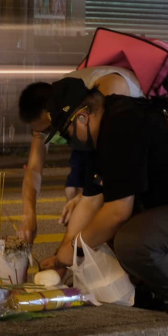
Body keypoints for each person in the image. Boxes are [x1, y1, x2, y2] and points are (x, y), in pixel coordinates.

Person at [39, 78, 168, 318]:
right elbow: (91, 201)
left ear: (82, 117)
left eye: (67, 134)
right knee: (104, 230)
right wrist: (62, 255)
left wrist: (75, 249)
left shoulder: (121, 126)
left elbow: (117, 213)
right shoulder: (105, 127)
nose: (69, 142)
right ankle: (153, 290)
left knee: (131, 241)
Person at [17, 66, 143, 244]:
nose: (48, 136)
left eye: (49, 130)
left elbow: (109, 170)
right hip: (92, 139)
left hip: (132, 138)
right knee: (82, 205)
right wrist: (28, 216)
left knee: (116, 220)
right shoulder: (56, 112)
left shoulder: (106, 94)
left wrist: (87, 196)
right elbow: (33, 169)